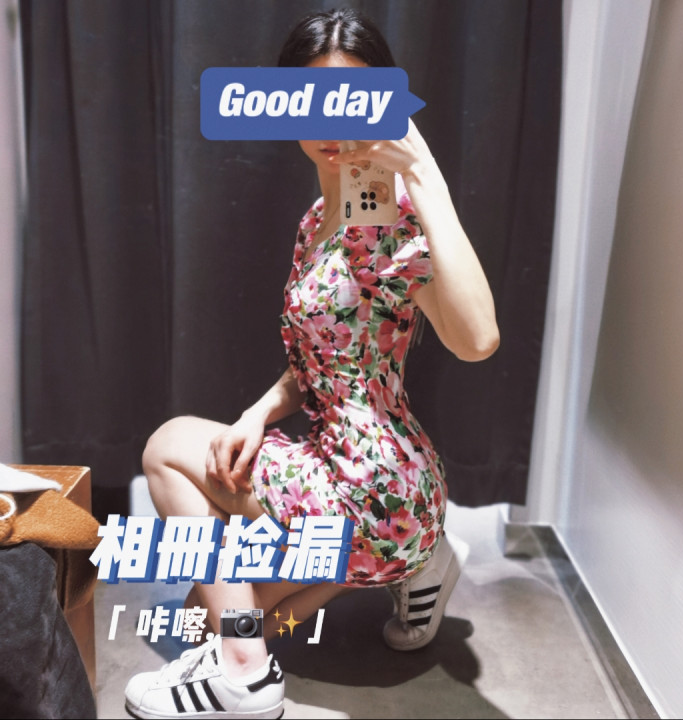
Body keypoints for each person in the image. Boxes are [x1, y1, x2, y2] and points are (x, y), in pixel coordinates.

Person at [124, 7, 499, 719]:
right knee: (209, 618)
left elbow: (478, 339)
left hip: (371, 483)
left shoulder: (384, 213)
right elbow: (323, 358)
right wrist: (257, 413)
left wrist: (424, 178)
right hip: (370, 485)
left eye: (354, 100)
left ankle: (244, 677)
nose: (334, 122)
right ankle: (412, 559)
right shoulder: (322, 218)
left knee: (168, 446)